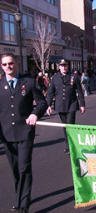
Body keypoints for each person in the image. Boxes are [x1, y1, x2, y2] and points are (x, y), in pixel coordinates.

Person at [0, 53, 48, 213]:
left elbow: (42, 102)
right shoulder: (0, 85)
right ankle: (18, 196)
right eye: (5, 64)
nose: (8, 67)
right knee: (15, 169)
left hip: (25, 132)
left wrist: (35, 113)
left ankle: (23, 203)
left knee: (24, 167)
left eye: (11, 63)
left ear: (17, 64)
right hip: (7, 135)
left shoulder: (28, 82)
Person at [46, 59, 85, 154]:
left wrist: (82, 104)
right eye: (62, 66)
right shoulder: (55, 78)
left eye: (65, 65)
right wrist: (48, 105)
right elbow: (50, 93)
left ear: (68, 66)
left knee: (70, 125)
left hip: (71, 104)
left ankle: (71, 146)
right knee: (64, 126)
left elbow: (79, 91)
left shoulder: (74, 77)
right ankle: (67, 145)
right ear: (59, 66)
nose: (64, 67)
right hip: (60, 105)